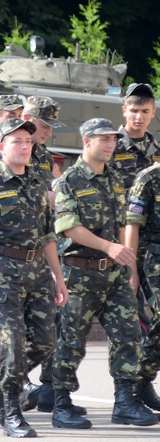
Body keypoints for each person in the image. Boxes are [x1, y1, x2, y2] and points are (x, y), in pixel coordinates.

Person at [51, 117, 156, 429]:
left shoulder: (114, 179)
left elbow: (126, 223)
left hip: (114, 275)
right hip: (78, 273)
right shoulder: (70, 180)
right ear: (87, 142)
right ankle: (61, 404)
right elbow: (68, 227)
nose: (111, 145)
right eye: (104, 140)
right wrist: (109, 247)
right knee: (71, 341)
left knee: (129, 334)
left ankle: (125, 401)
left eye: (112, 139)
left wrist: (127, 260)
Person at [0, 118, 67, 438]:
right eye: (16, 141)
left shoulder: (39, 181)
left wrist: (59, 277)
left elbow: (48, 234)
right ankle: (12, 413)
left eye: (28, 141)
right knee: (11, 345)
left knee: (45, 342)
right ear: (1, 147)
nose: (25, 146)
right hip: (4, 272)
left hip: (38, 272)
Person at [109, 82, 160, 403]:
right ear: (123, 110)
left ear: (153, 113)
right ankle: (52, 387)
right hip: (115, 245)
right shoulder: (109, 147)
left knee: (148, 319)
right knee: (121, 322)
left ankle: (139, 382)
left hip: (152, 248)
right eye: (133, 110)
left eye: (145, 111)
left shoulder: (157, 152)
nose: (138, 117)